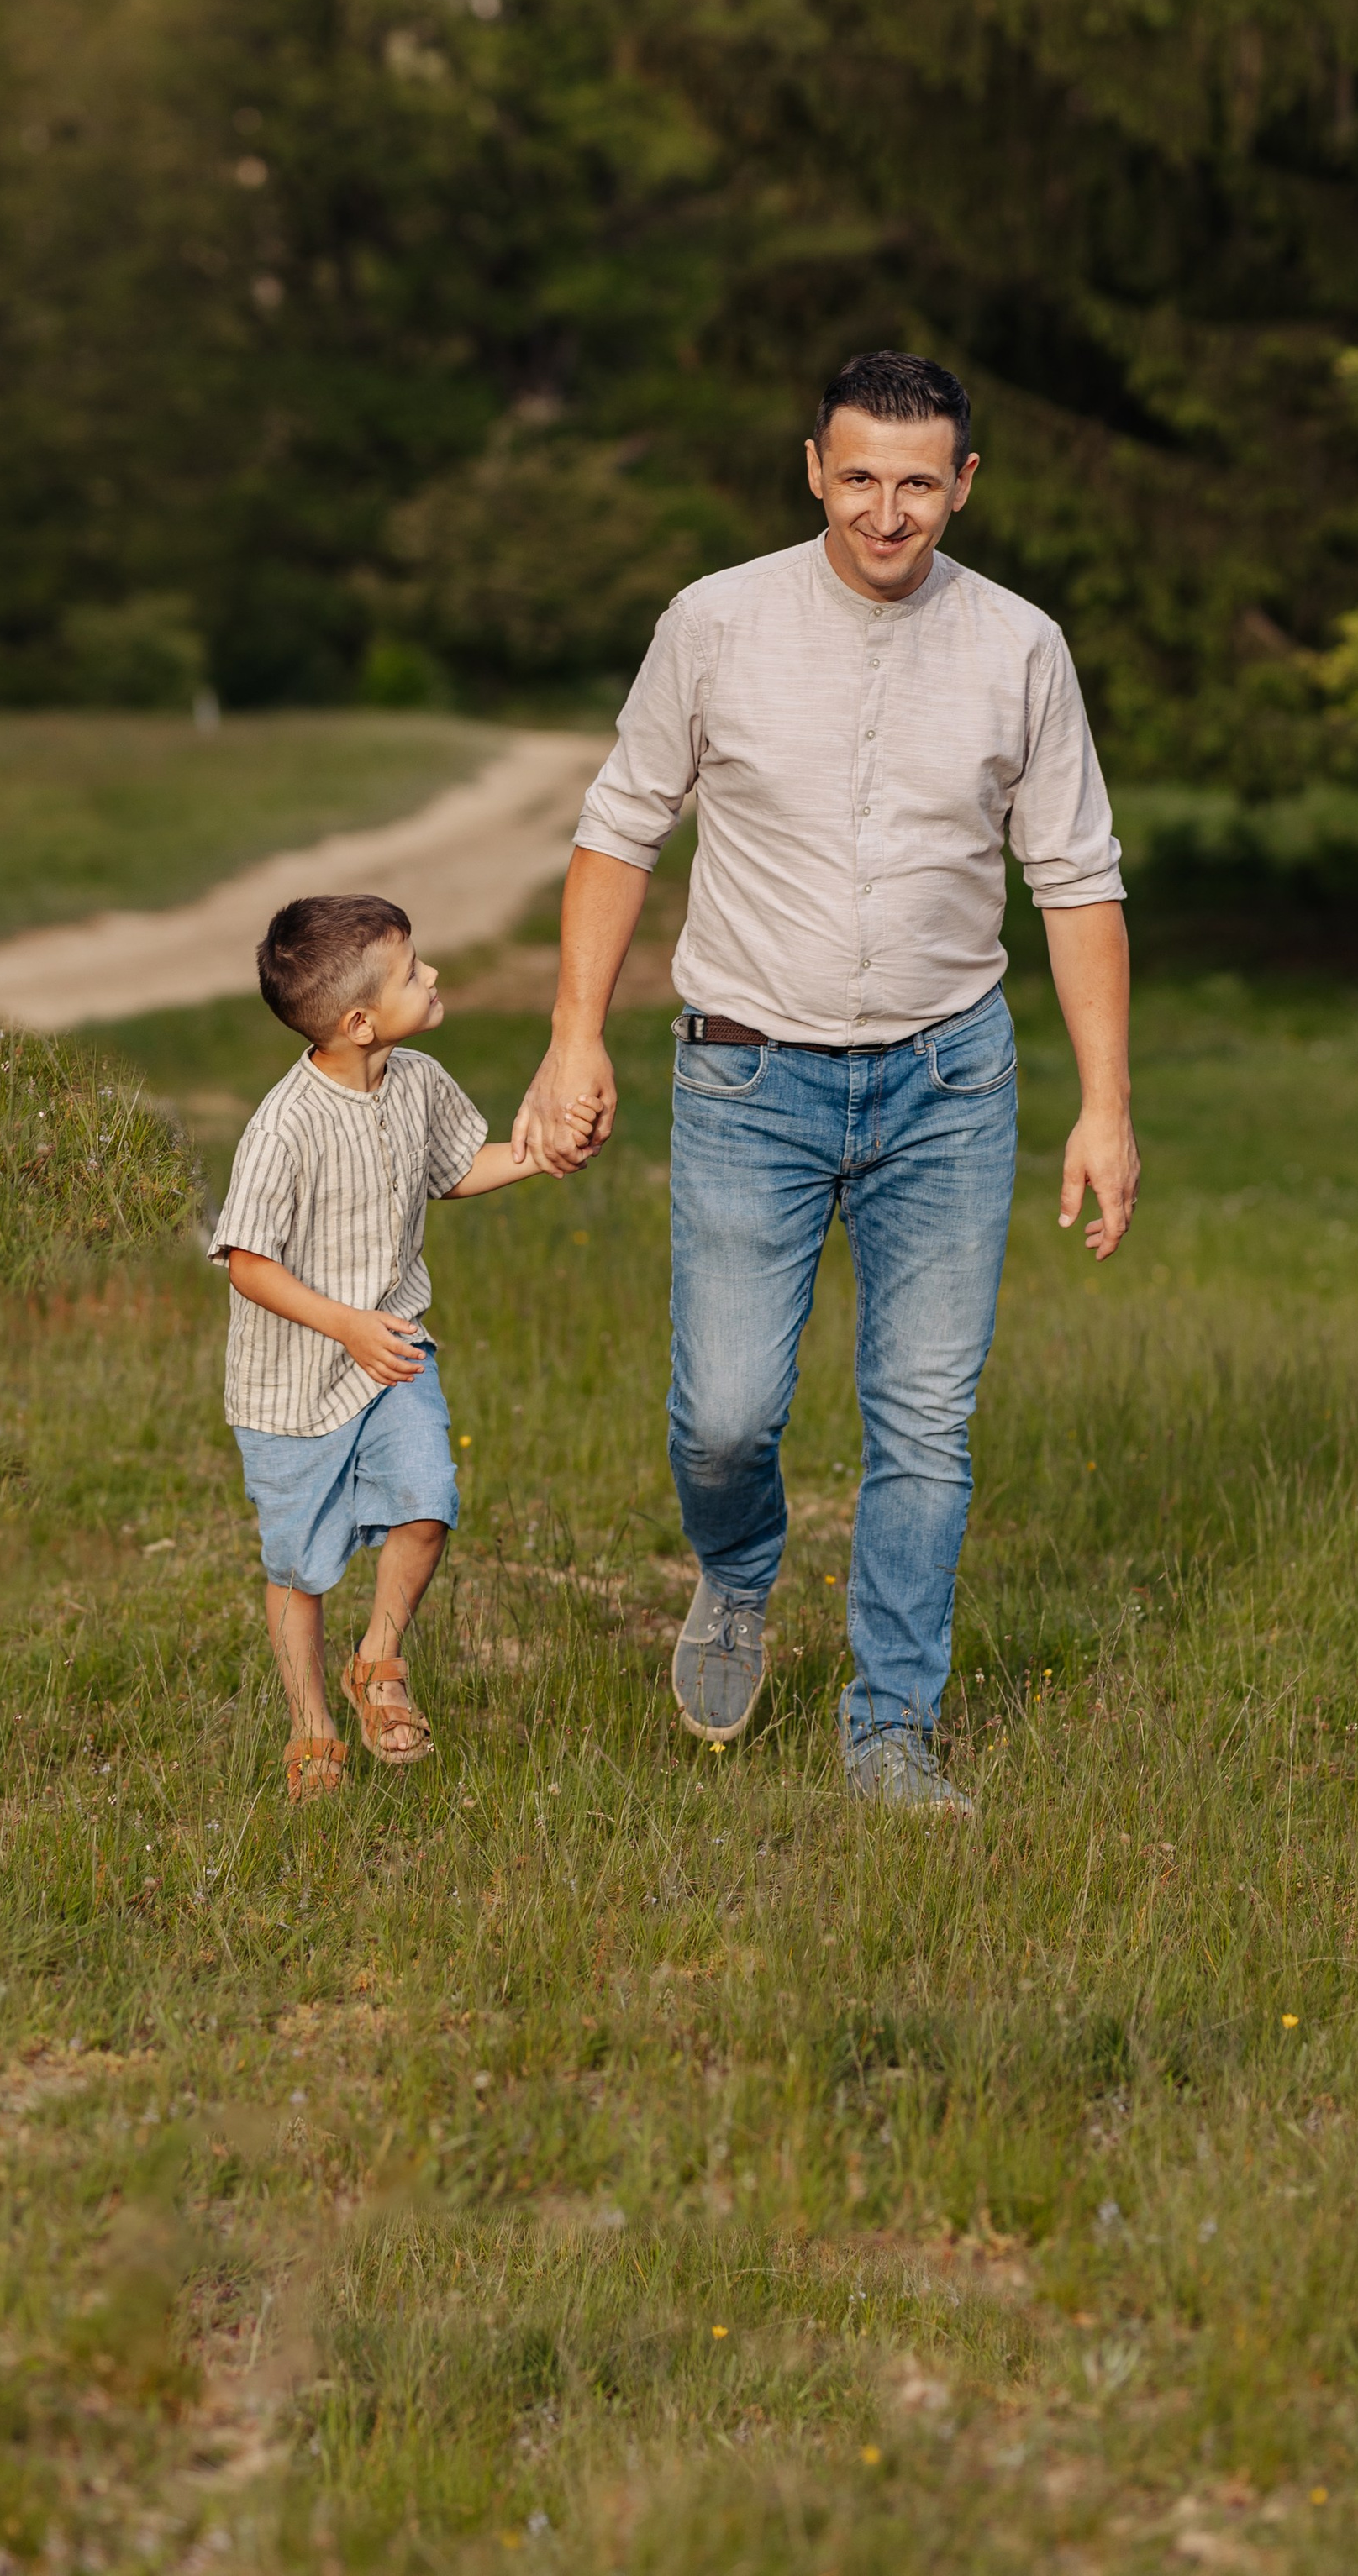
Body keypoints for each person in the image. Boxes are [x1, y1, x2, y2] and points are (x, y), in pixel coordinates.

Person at [513, 350, 1139, 1811]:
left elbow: (1079, 881)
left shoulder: (1021, 648)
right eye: (859, 476)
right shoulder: (715, 624)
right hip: (749, 1082)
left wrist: (1105, 1103)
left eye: (919, 481)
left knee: (924, 1421)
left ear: (964, 485)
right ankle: (736, 1575)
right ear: (813, 469)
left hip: (949, 1086)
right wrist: (573, 1034)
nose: (888, 510)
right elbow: (619, 831)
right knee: (727, 1415)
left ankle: (891, 1729)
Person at [210, 892, 555, 1799]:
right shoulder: (284, 1127)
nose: (431, 976)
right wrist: (346, 1326)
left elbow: (454, 1167)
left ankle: (379, 1659)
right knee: (298, 1565)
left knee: (429, 1499)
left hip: (392, 1353)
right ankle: (312, 1729)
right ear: (360, 1021)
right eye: (412, 971)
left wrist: (538, 1153)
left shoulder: (418, 1079)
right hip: (292, 1385)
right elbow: (247, 1265)